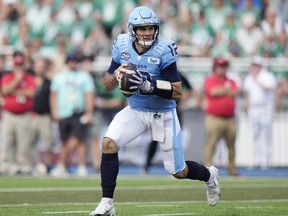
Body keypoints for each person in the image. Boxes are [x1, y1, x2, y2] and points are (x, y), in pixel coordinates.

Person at [89, 6, 220, 216]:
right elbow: (106, 84)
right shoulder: (122, 45)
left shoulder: (163, 49)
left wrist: (151, 85)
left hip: (163, 113)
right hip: (136, 109)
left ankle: (209, 175)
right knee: (108, 144)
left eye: (151, 27)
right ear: (132, 30)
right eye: (142, 28)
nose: (147, 32)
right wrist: (117, 76)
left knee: (178, 171)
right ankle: (107, 204)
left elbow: (178, 93)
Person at [50, 52, 95, 177]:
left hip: (78, 111)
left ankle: (79, 166)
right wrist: (54, 111)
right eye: (70, 61)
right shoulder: (59, 77)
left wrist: (89, 112)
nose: (72, 63)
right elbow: (53, 95)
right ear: (67, 62)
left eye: (75, 61)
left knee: (79, 139)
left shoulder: (84, 76)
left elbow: (89, 95)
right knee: (64, 140)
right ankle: (63, 166)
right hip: (63, 111)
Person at [143, 72, 193, 174]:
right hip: (160, 111)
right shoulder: (158, 74)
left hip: (174, 111)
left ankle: (177, 166)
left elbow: (190, 89)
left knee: (175, 138)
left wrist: (182, 101)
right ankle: (147, 165)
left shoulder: (177, 74)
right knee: (156, 139)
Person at [0, 51, 36, 175]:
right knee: (7, 141)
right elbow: (4, 90)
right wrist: (17, 80)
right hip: (9, 114)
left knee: (23, 142)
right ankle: (5, 164)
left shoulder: (29, 77)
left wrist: (15, 92)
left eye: (21, 65)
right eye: (17, 65)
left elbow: (31, 92)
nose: (19, 68)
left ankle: (23, 164)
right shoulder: (7, 76)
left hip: (24, 114)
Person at [203, 57, 240, 176]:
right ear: (215, 67)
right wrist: (226, 90)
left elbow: (235, 92)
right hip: (214, 118)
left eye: (224, 66)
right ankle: (208, 170)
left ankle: (232, 169)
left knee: (231, 146)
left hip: (230, 118)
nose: (222, 69)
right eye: (220, 66)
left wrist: (222, 90)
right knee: (211, 144)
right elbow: (212, 91)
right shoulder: (210, 79)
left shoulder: (231, 80)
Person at [243, 56, 277, 169]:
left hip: (265, 108)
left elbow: (268, 88)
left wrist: (257, 79)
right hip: (254, 109)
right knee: (255, 135)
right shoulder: (249, 77)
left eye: (256, 65)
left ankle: (267, 161)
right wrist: (248, 108)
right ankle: (256, 161)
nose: (254, 67)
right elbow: (247, 94)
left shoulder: (267, 76)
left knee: (267, 135)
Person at [29, 57, 54, 175]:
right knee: (29, 142)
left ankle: (48, 165)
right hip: (31, 115)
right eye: (38, 66)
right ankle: (36, 164)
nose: (40, 69)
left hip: (45, 116)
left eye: (42, 66)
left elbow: (52, 99)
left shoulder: (49, 82)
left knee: (48, 142)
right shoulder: (29, 81)